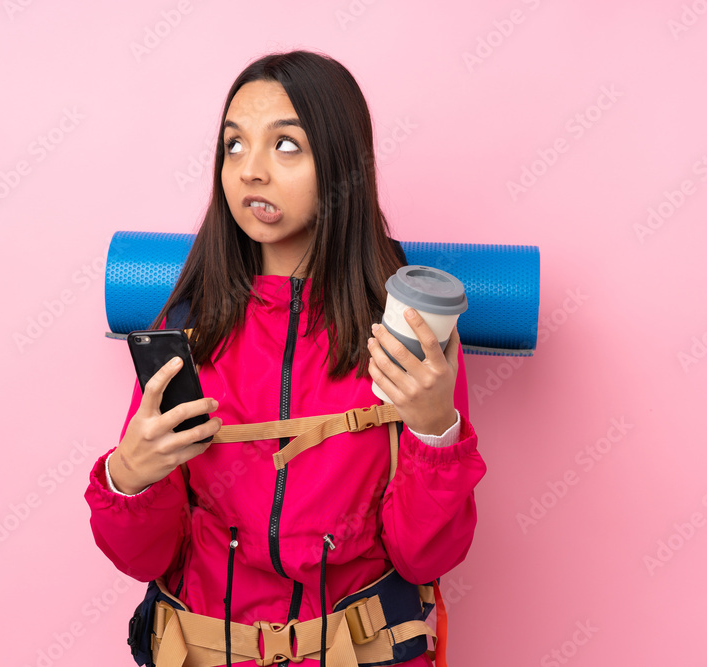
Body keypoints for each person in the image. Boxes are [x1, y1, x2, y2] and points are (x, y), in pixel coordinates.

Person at [85, 50, 485, 667]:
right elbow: (143, 558)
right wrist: (130, 478)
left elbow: (423, 557)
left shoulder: (408, 334)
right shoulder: (187, 329)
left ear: (342, 164)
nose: (251, 171)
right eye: (234, 146)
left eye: (287, 146)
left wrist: (435, 429)